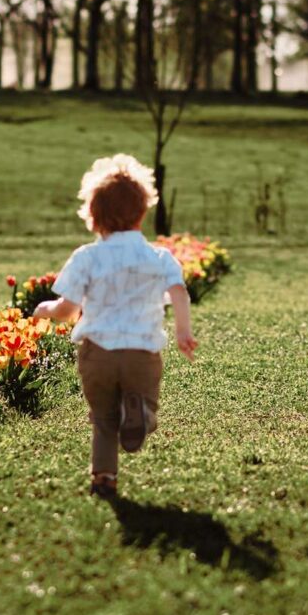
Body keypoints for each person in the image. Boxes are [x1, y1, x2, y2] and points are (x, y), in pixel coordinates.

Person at [35, 154, 198, 498]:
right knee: (141, 405)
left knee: (103, 419)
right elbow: (179, 292)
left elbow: (67, 310)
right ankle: (141, 417)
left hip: (98, 354)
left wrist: (45, 309)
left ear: (93, 217)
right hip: (142, 353)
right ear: (142, 212)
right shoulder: (159, 257)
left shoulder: (86, 257)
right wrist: (183, 332)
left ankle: (104, 478)